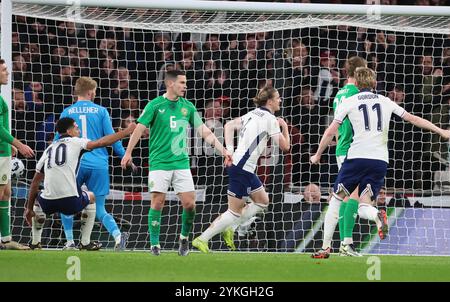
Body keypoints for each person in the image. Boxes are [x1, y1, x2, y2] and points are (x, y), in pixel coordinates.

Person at [310, 67, 450, 256]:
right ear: (375, 83)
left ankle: (325, 247)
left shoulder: (349, 101)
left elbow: (329, 132)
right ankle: (376, 215)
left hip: (356, 158)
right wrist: (441, 131)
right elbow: (413, 118)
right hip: (379, 161)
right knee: (364, 202)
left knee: (336, 199)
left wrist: (318, 154)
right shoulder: (385, 101)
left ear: (356, 84)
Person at [120, 70, 232, 256]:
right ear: (170, 84)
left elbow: (204, 131)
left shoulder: (187, 106)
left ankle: (184, 239)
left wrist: (224, 151)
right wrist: (128, 152)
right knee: (157, 203)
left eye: (185, 82)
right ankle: (154, 245)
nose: (185, 86)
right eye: (181, 82)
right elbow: (139, 129)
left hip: (181, 163)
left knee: (190, 205)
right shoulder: (155, 105)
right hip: (159, 163)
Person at [192, 86, 290, 253]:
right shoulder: (271, 120)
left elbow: (229, 125)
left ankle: (233, 228)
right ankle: (202, 239)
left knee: (262, 201)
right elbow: (285, 146)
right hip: (242, 169)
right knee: (233, 212)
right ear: (270, 101)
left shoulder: (252, 114)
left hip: (243, 167)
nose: (280, 100)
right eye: (278, 97)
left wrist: (229, 149)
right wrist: (285, 127)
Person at [312, 56, 388, 259]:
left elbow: (336, 126)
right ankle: (341, 244)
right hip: (355, 151)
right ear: (359, 72)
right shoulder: (357, 94)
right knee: (349, 197)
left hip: (343, 149)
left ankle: (344, 243)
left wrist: (325, 150)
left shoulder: (340, 93)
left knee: (346, 196)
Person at [24, 118, 136, 250]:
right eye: (76, 128)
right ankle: (85, 242)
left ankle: (36, 242)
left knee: (39, 200)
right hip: (70, 202)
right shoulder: (76, 142)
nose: (79, 130)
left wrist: (28, 208)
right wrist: (127, 132)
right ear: (69, 131)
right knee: (92, 197)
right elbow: (101, 142)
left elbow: (35, 182)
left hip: (49, 204)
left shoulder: (50, 148)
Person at [54, 77, 132, 251]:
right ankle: (118, 237)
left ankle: (69, 242)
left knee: (67, 203)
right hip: (99, 164)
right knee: (100, 208)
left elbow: (57, 141)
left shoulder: (67, 112)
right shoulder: (101, 111)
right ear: (90, 92)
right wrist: (125, 155)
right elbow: (112, 138)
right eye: (94, 91)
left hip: (75, 165)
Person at [0, 58, 34, 250]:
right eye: (4, 70)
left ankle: (6, 240)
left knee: (6, 193)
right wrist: (18, 144)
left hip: (3, 151)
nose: (7, 73)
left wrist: (8, 144)